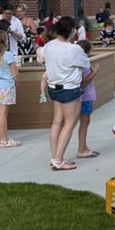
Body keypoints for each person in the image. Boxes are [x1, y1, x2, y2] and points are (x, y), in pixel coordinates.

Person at [42, 15, 91, 171]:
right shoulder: (73, 49)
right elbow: (85, 64)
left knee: (57, 121)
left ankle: (56, 156)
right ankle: (58, 160)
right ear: (71, 31)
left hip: (53, 87)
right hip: (69, 89)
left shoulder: (49, 46)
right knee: (69, 124)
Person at [0, 25, 21, 148]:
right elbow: (15, 73)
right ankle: (4, 139)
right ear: (5, 41)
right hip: (6, 86)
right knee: (3, 113)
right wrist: (17, 82)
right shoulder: (8, 55)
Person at [75, 39, 100, 159]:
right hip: (85, 96)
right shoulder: (83, 63)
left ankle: (83, 147)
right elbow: (83, 82)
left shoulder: (78, 61)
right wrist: (95, 72)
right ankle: (81, 149)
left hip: (83, 96)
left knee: (85, 123)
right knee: (84, 123)